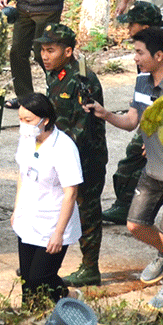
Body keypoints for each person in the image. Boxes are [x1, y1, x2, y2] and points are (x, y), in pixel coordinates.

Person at [85, 27, 163, 309]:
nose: (134, 57)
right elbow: (132, 121)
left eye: (139, 52)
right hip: (153, 168)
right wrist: (105, 114)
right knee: (135, 224)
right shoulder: (141, 80)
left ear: (159, 55)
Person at [103, 2, 163, 225]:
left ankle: (125, 207)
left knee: (133, 157)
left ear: (145, 26)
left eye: (132, 25)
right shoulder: (155, 41)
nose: (128, 30)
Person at [35, 23, 106, 286]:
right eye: (42, 50)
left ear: (67, 51)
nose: (44, 55)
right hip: (61, 153)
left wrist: (58, 154)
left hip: (84, 157)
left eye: (50, 50)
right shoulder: (56, 73)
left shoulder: (82, 80)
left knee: (86, 212)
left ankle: (90, 269)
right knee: (55, 210)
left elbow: (83, 128)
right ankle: (43, 265)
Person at [11, 94, 82, 304]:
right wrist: (16, 209)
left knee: (40, 278)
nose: (24, 125)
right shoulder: (27, 140)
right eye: (21, 119)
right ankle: (29, 318)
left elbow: (71, 193)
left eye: (29, 120)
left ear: (46, 120)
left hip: (53, 222)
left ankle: (69, 297)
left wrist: (58, 233)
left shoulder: (64, 148)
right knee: (27, 280)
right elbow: (22, 175)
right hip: (28, 218)